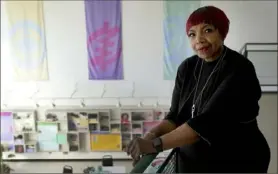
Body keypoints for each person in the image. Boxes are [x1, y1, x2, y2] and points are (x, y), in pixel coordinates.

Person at [125, 6, 271, 173]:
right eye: (192, 34)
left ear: (222, 32)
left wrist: (154, 144)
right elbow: (174, 117)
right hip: (195, 163)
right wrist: (151, 135)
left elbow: (207, 123)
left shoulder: (239, 68)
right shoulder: (187, 67)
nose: (199, 40)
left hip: (238, 161)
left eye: (207, 30)